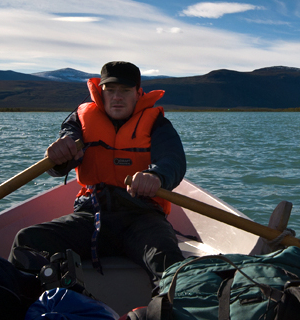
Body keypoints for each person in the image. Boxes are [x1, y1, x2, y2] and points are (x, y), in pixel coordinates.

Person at [10, 61, 186, 284]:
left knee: (168, 261)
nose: (117, 97)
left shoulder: (158, 125)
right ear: (100, 93)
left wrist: (156, 176)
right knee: (26, 240)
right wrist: (58, 155)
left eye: (124, 90)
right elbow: (59, 166)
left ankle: (168, 313)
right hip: (92, 216)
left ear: (138, 93)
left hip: (142, 218)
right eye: (110, 90)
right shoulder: (79, 122)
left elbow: (173, 160)